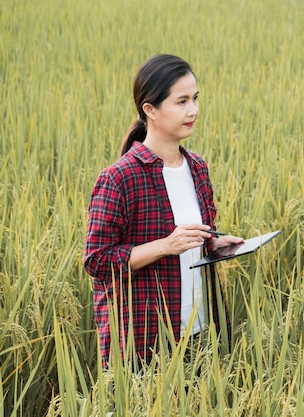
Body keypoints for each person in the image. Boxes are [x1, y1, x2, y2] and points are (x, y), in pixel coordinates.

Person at [83, 54, 243, 367]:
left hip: (199, 333)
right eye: (181, 101)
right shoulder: (119, 178)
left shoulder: (197, 167)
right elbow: (97, 261)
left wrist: (213, 244)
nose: (193, 110)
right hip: (143, 340)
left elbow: (195, 236)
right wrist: (165, 246)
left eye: (195, 99)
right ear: (150, 109)